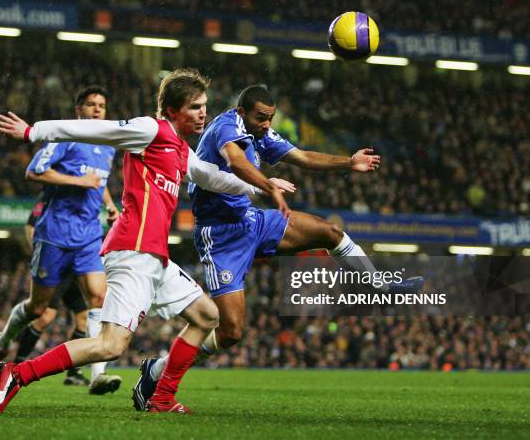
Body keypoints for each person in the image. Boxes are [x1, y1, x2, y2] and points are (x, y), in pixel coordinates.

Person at [0, 69, 294, 414]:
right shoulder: (151, 130)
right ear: (173, 110)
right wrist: (34, 131)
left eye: (205, 106)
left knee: (208, 316)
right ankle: (16, 374)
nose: (203, 114)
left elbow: (212, 178)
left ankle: (160, 398)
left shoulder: (180, 149)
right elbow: (96, 129)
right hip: (132, 251)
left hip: (155, 258)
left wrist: (263, 186)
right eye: (195, 107)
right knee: (109, 345)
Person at [132, 85, 424, 409]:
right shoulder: (226, 127)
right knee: (230, 331)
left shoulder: (262, 133)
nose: (267, 124)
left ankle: (378, 284)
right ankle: (156, 373)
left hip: (252, 220)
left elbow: (301, 157)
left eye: (270, 118)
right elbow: (236, 159)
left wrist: (348, 162)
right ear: (242, 111)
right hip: (221, 237)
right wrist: (269, 184)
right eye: (261, 118)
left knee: (329, 232)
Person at [0, 86, 122, 396]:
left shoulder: (107, 146)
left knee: (98, 297)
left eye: (102, 105)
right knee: (38, 309)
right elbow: (33, 172)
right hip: (54, 234)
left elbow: (97, 180)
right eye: (91, 105)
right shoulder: (64, 138)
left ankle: (97, 375)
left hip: (89, 235)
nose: (97, 110)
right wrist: (78, 181)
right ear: (79, 110)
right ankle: (3, 340)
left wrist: (109, 202)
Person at [14, 191, 90, 387]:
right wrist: (40, 255)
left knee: (83, 318)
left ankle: (73, 373)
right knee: (45, 316)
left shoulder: (86, 196)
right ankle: (17, 364)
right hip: (57, 263)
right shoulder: (51, 194)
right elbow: (31, 225)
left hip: (76, 266)